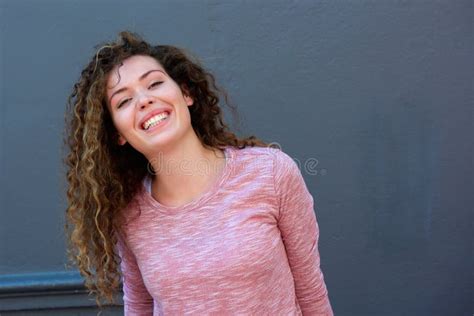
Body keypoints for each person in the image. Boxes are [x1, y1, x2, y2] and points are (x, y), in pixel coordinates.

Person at [64, 30, 333, 315]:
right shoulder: (130, 215)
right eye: (123, 101)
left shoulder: (271, 173)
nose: (144, 100)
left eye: (154, 83)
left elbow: (311, 291)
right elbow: (139, 306)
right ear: (118, 133)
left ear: (186, 93)